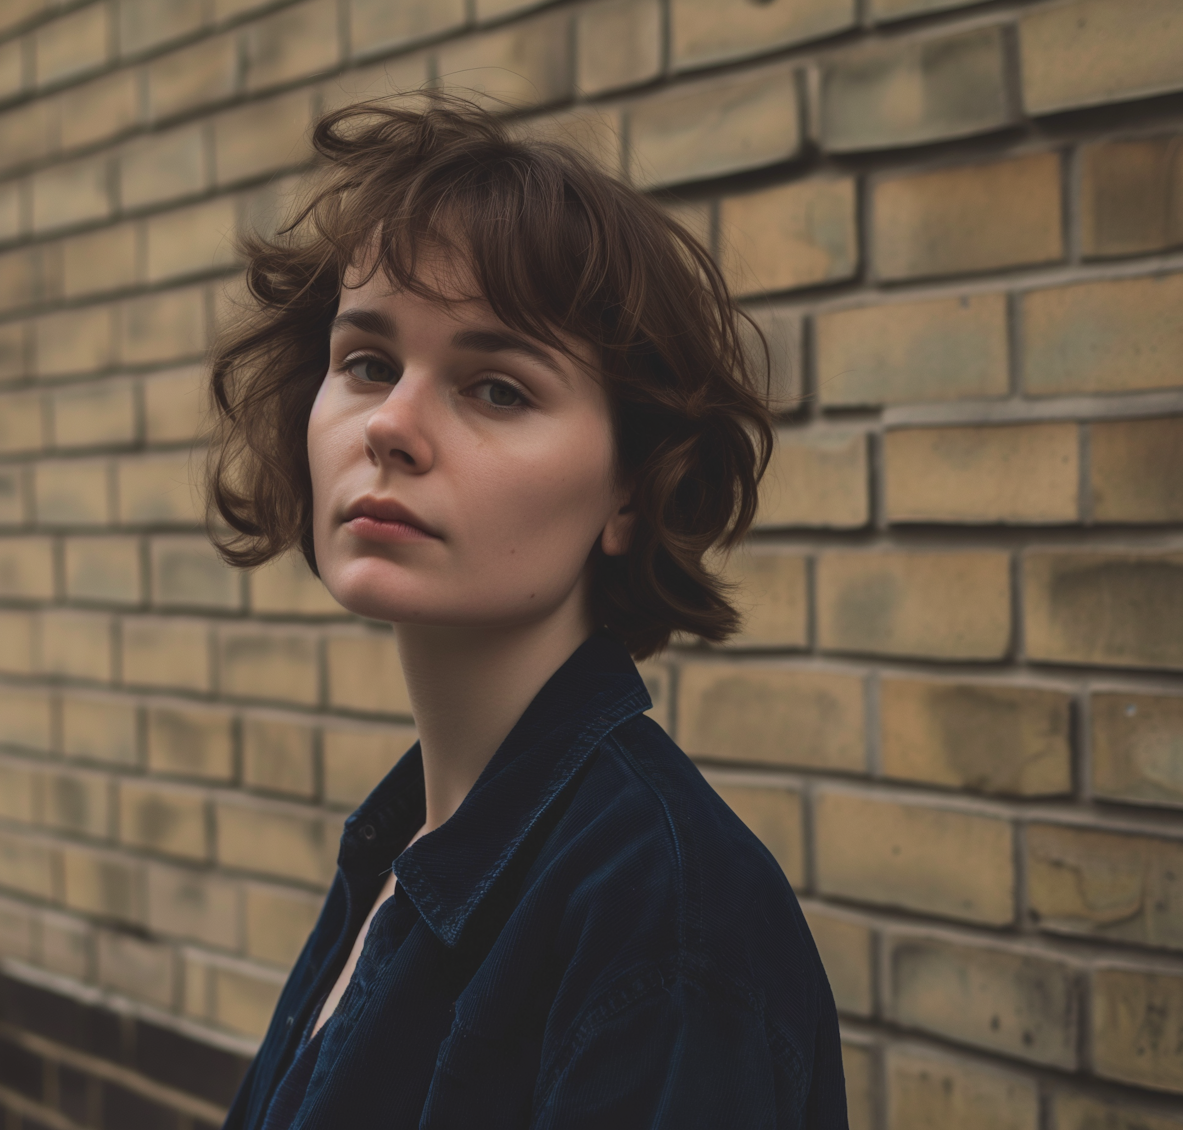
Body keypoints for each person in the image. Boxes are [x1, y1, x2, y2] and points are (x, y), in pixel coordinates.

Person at [208, 93, 848, 1129]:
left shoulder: (665, 926)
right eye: (368, 363)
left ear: (631, 488)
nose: (393, 426)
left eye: (497, 387)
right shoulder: (406, 844)